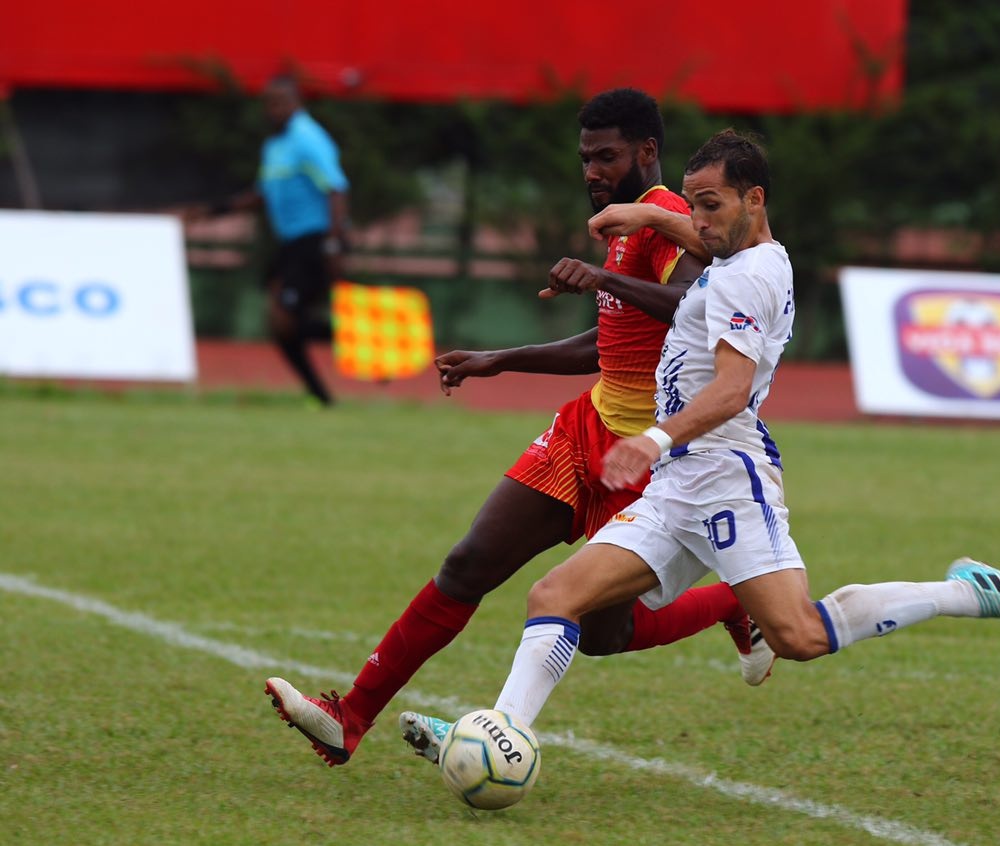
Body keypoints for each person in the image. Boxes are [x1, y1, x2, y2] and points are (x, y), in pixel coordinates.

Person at [400, 129, 1000, 761]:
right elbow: (697, 235)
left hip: (728, 478)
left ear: (756, 200)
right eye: (693, 206)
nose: (700, 222)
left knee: (799, 636)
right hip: (677, 486)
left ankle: (963, 591)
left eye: (711, 206)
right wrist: (647, 216)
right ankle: (500, 737)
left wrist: (653, 439)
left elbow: (730, 390)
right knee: (555, 596)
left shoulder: (750, 277)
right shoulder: (737, 253)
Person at [264, 89, 772, 768]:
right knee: (469, 563)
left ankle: (727, 608)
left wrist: (600, 277)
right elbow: (609, 344)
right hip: (585, 430)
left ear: (647, 153)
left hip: (645, 461)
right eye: (586, 157)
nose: (592, 170)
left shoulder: (672, 218)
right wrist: (497, 361)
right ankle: (348, 716)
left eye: (607, 157)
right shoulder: (622, 228)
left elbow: (694, 306)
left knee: (601, 633)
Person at [202, 75, 350, 406]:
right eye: (269, 103)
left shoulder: (308, 138)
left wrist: (334, 243)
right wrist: (217, 210)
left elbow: (336, 188)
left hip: (316, 238)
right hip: (291, 242)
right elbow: (263, 193)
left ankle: (356, 345)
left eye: (281, 102)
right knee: (279, 324)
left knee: (284, 318)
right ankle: (322, 395)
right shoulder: (275, 146)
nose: (274, 109)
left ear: (297, 102)